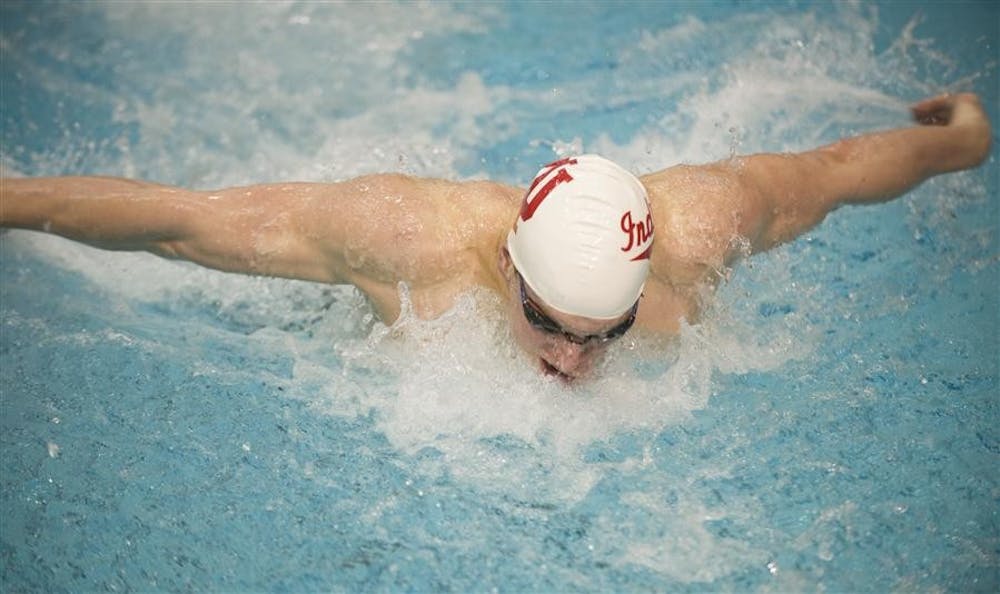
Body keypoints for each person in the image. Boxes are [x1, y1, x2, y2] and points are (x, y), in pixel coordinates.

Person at [1, 93, 992, 381]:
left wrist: (965, 140)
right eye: (550, 323)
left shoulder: (697, 232)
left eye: (601, 334)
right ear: (506, 266)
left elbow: (829, 175)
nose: (571, 358)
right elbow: (183, 223)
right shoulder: (402, 238)